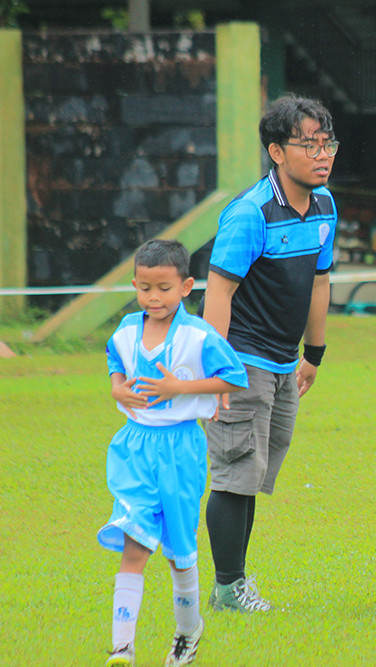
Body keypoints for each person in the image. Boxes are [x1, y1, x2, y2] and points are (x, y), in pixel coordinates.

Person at [201, 94, 338, 612]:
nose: (323, 154)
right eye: (310, 144)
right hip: (242, 361)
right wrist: (218, 373)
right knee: (235, 471)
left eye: (328, 144)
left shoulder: (325, 205)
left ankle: (232, 585)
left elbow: (319, 282)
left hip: (284, 363)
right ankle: (229, 588)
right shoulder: (249, 215)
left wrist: (314, 353)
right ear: (277, 152)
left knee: (253, 473)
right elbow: (219, 294)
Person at [100, 239, 248, 667]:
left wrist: (178, 388)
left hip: (181, 449)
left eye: (163, 288)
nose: (154, 298)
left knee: (179, 554)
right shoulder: (127, 329)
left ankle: (188, 632)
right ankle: (122, 648)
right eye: (145, 288)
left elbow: (234, 378)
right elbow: (114, 356)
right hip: (134, 447)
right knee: (134, 546)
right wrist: (115, 384)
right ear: (134, 285)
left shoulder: (198, 336)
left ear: (186, 287)